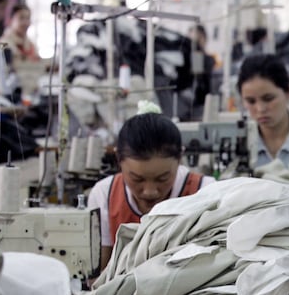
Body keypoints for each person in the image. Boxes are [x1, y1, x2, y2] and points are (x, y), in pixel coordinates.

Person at [87, 112, 215, 270]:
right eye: (137, 179)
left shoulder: (205, 192)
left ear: (180, 159)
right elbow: (99, 273)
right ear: (118, 159)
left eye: (163, 178)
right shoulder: (104, 195)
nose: (150, 192)